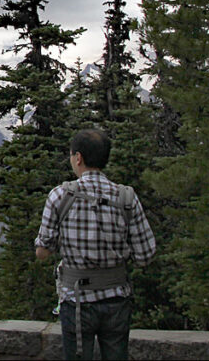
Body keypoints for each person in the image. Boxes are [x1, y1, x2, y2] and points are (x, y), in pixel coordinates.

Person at [34, 129, 157, 361]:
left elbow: (43, 252)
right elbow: (145, 255)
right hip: (117, 297)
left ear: (78, 158)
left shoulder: (60, 196)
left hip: (76, 299)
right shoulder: (126, 197)